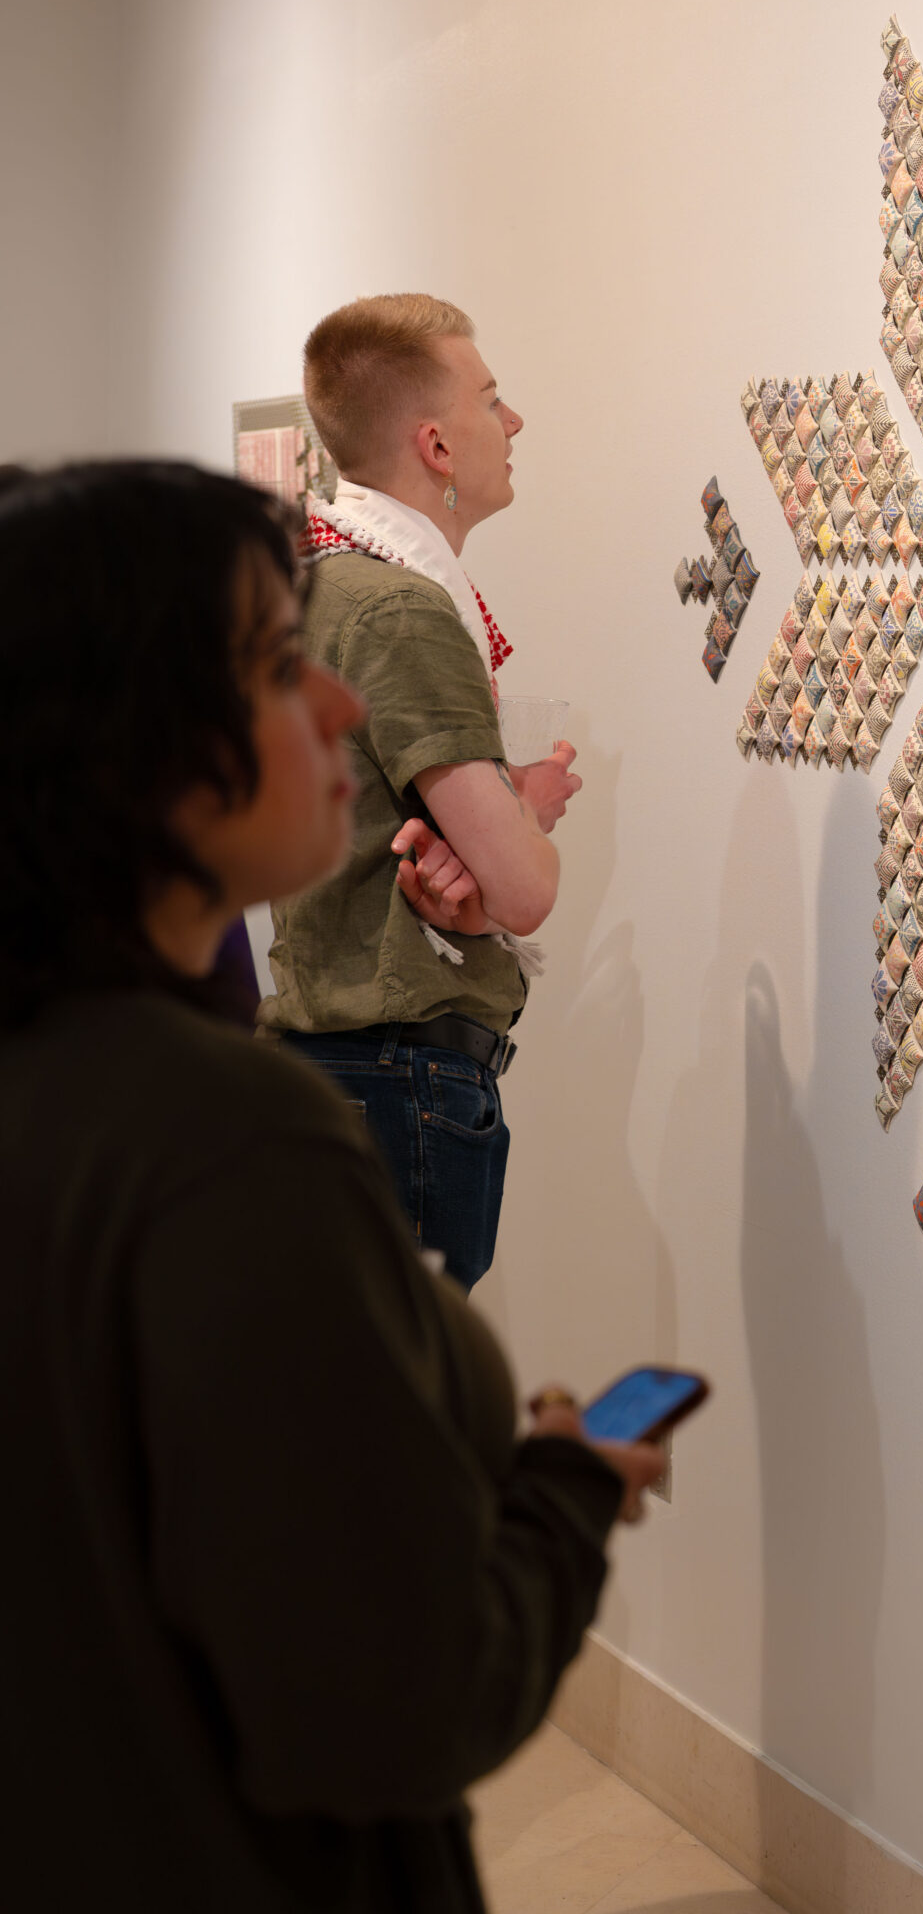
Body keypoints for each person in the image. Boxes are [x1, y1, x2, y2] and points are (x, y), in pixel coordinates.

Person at [0, 458, 661, 1912]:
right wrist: (565, 1490)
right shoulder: (228, 1140)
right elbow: (392, 1701)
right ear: (127, 739)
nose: (341, 710)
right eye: (274, 665)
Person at [261, 292, 577, 1290]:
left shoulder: (315, 581)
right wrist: (516, 821)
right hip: (393, 1079)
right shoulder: (400, 605)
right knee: (391, 1420)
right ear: (437, 446)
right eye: (492, 399)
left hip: (330, 1067)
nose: (513, 422)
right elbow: (524, 892)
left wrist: (486, 819)